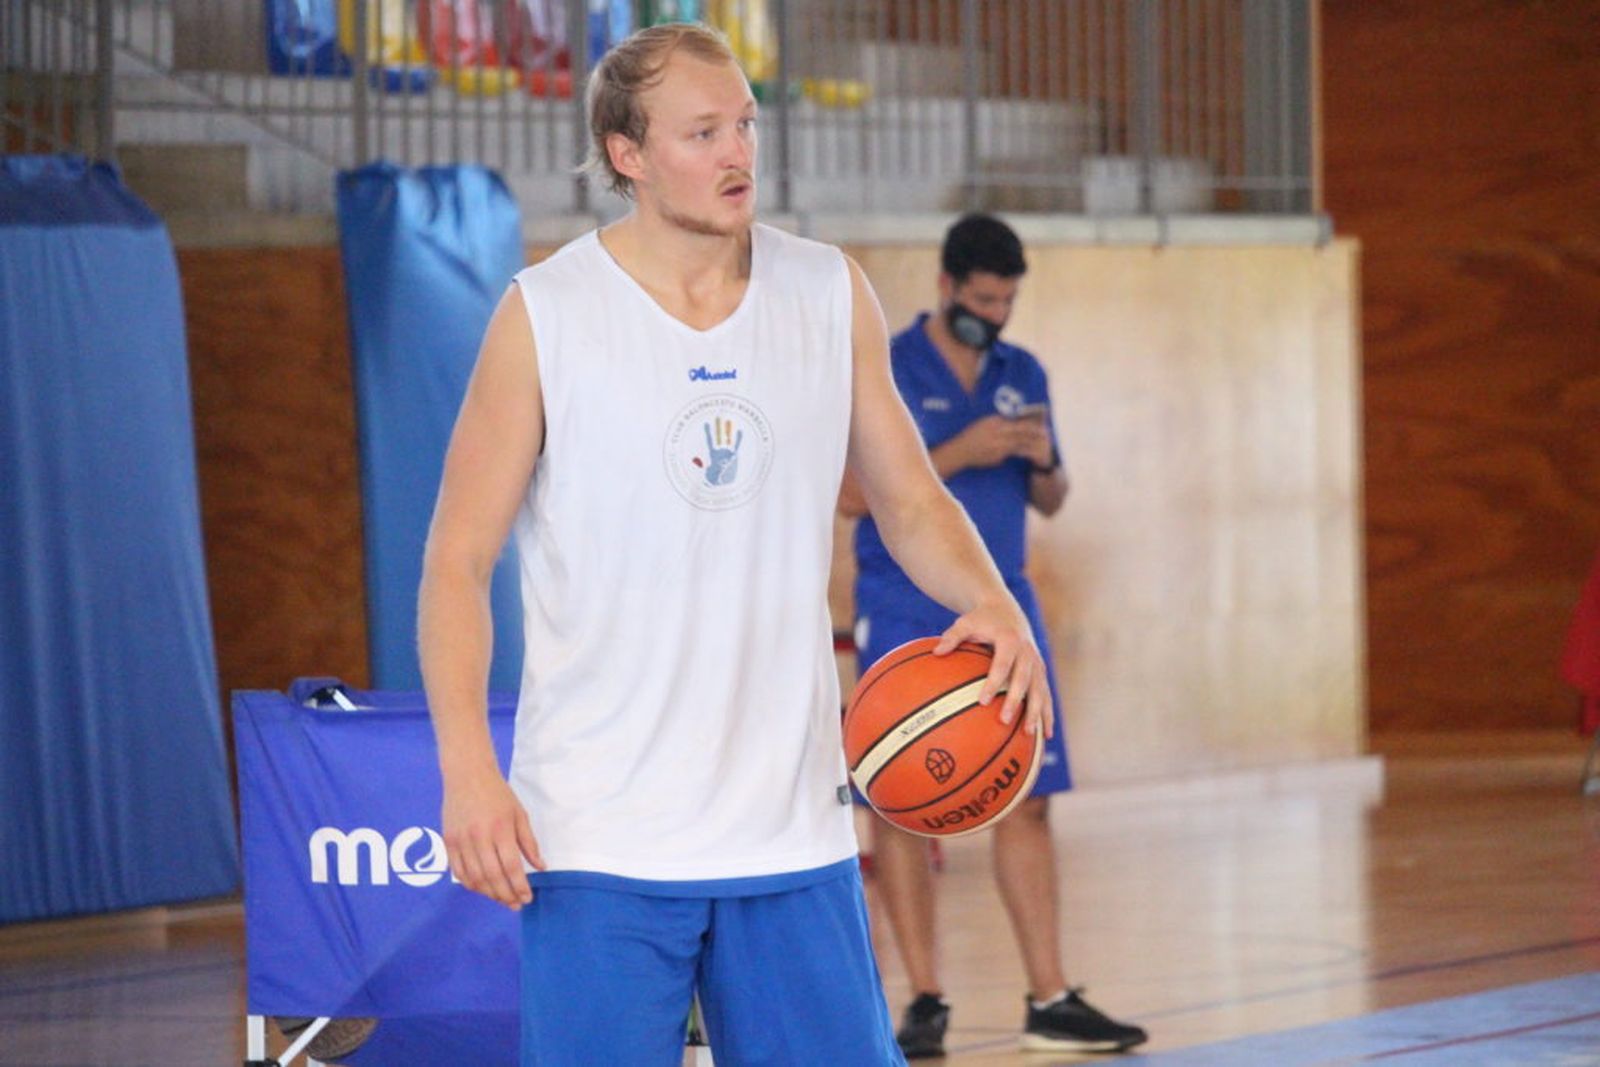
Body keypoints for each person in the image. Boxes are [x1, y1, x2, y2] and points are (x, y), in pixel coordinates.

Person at [418, 25, 1057, 1066]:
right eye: (702, 131)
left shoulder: (823, 289)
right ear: (627, 154)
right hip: (599, 833)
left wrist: (989, 598)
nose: (738, 154)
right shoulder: (546, 314)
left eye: (746, 126)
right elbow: (455, 559)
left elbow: (908, 497)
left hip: (791, 825)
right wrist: (466, 773)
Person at [840, 213, 1149, 1058]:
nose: (997, 314)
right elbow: (851, 494)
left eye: (1008, 300)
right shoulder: (891, 364)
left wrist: (1043, 460)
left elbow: (1053, 500)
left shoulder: (1024, 370)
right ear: (946, 287)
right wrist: (960, 448)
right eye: (983, 298)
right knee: (895, 803)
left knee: (1030, 796)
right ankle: (926, 999)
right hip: (908, 606)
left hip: (1005, 603)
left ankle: (1050, 995)